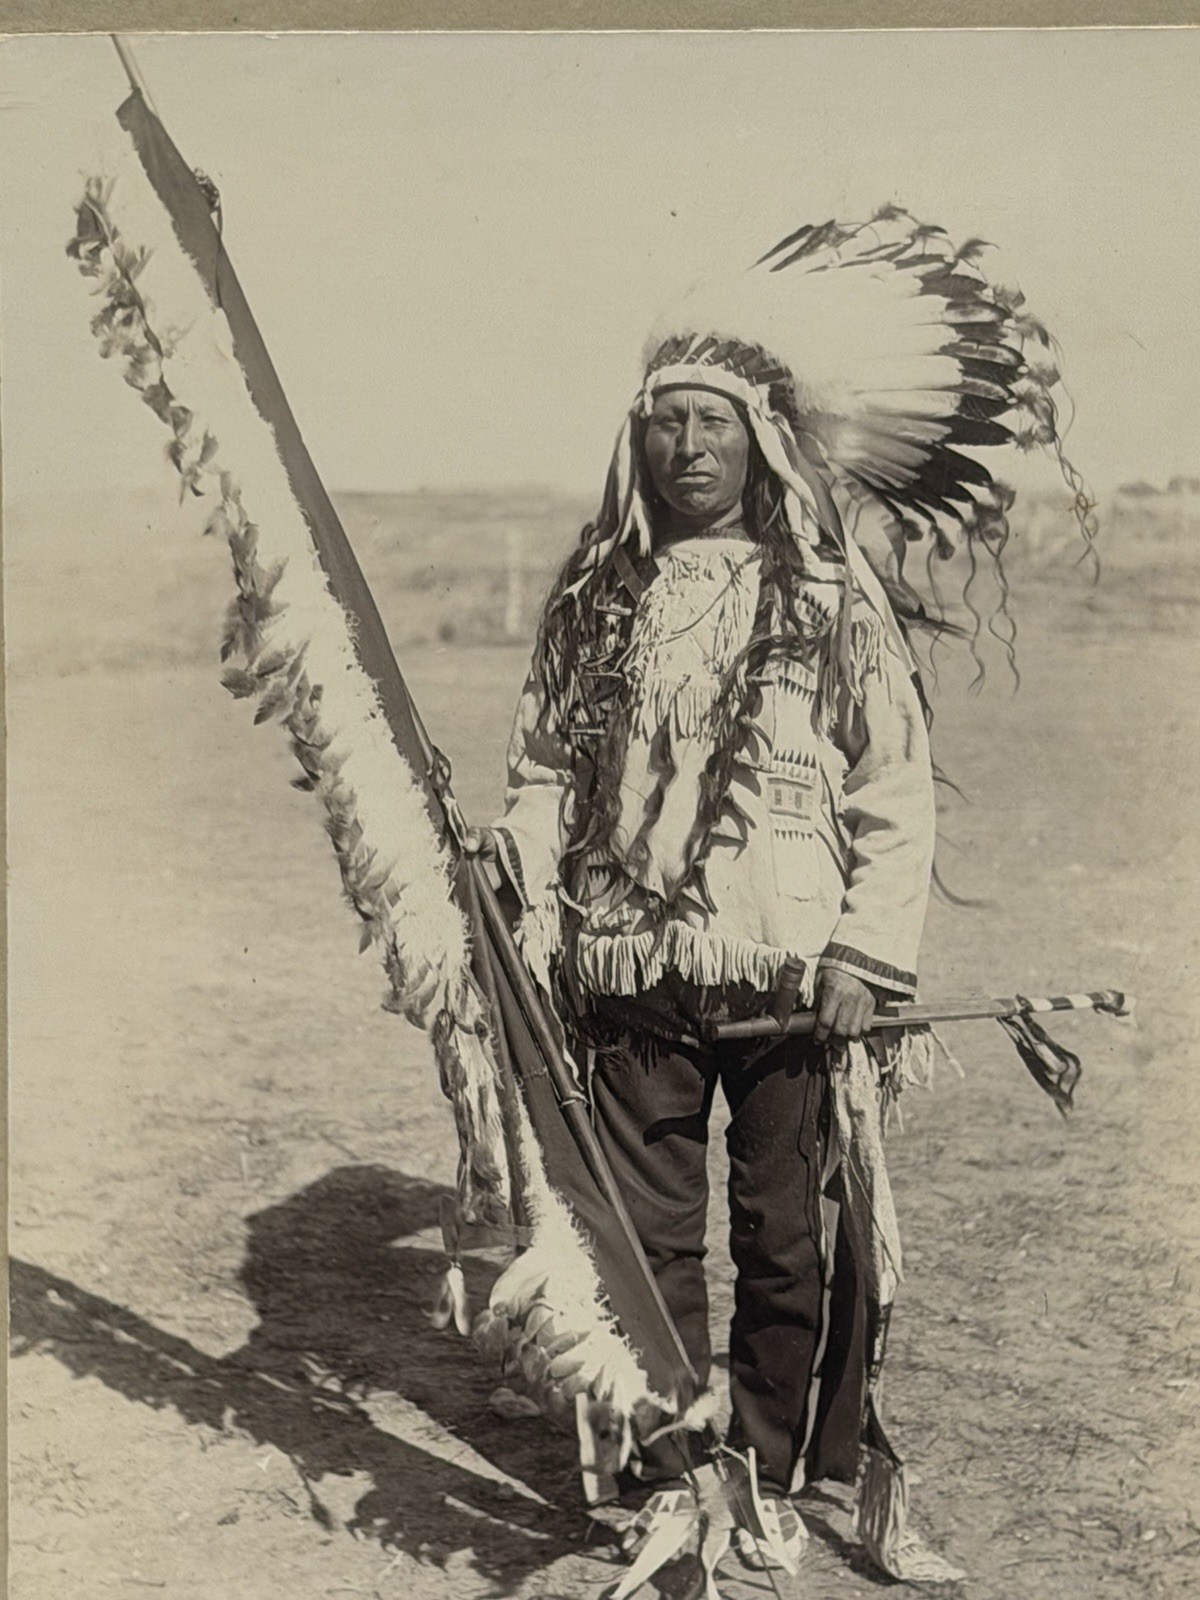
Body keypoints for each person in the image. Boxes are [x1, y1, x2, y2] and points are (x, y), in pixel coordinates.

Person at [469, 361, 935, 1568]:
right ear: (639, 440)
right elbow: (542, 774)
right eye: (666, 421)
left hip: (789, 972)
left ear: (756, 443)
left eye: (711, 422)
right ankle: (674, 1467)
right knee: (643, 1235)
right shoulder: (594, 594)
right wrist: (513, 865)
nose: (687, 445)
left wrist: (866, 954)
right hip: (627, 972)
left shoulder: (830, 596)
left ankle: (768, 1466)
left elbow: (892, 782)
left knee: (783, 1238)